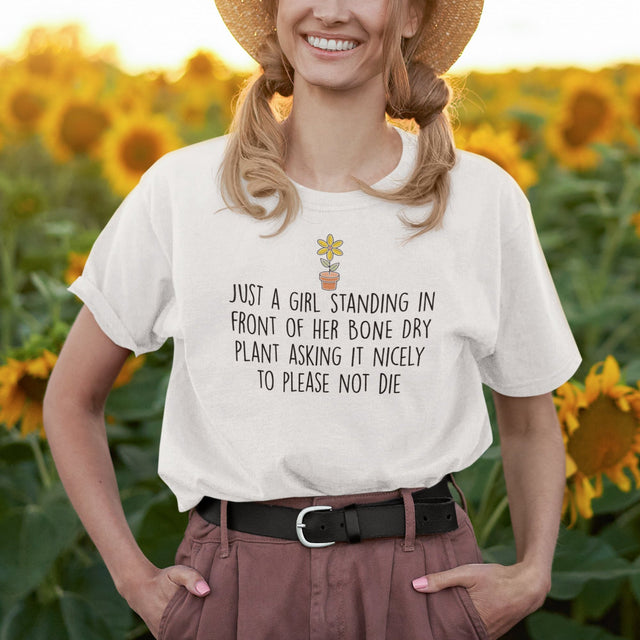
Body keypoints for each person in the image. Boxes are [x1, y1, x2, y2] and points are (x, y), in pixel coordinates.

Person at [43, 0, 582, 638]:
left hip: (422, 587)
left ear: (409, 15)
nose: (330, 12)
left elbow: (529, 419)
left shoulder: (480, 199)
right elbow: (71, 400)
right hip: (236, 584)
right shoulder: (182, 191)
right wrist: (135, 581)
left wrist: (533, 572)